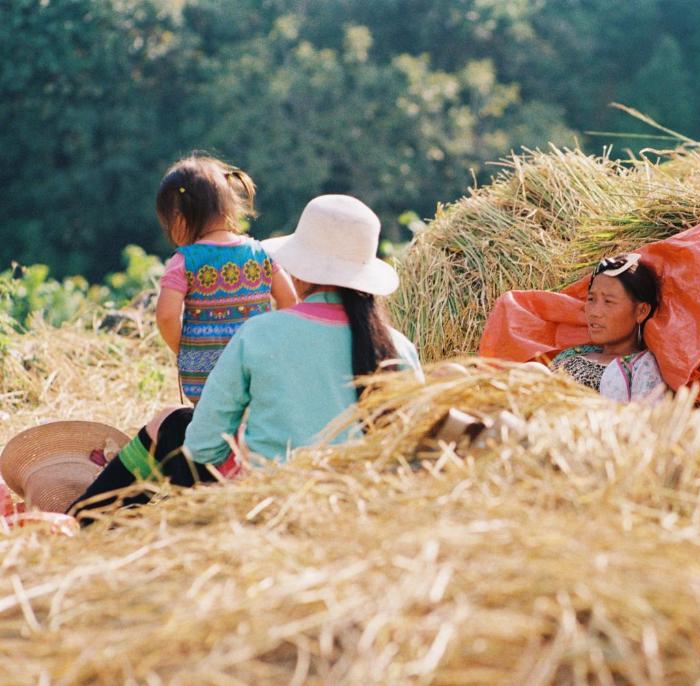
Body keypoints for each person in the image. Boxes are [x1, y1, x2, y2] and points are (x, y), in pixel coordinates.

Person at [4, 194, 422, 521]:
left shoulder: (262, 333)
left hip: (260, 502)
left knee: (170, 423)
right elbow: (414, 446)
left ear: (302, 270)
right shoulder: (398, 348)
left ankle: (82, 521)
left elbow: (203, 445)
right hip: (357, 502)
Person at [154, 154, 297, 403]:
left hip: (205, 375)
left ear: (178, 218)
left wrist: (185, 351)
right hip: (258, 364)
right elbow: (290, 300)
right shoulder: (260, 252)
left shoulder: (184, 261)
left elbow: (166, 316)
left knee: (212, 428)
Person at [549, 253, 668, 402]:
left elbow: (645, 420)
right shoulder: (571, 354)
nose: (594, 312)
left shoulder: (642, 368)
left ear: (641, 311)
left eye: (609, 302)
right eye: (591, 299)